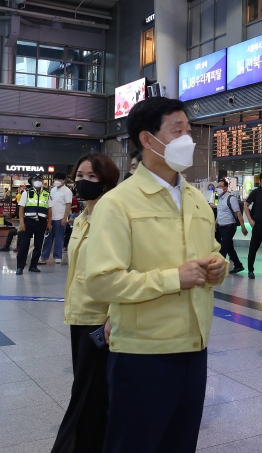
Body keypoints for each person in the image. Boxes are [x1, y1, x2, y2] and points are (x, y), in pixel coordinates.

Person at [84, 97, 226, 453]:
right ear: (148, 140)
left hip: (195, 348)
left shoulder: (195, 199)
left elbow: (211, 252)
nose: (187, 139)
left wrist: (217, 268)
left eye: (188, 131)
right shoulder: (119, 203)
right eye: (177, 131)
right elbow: (101, 281)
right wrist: (172, 278)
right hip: (143, 354)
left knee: (180, 444)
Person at [51, 153, 120, 453]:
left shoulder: (112, 215)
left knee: (85, 395)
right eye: (80, 175)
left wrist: (112, 316)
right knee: (92, 393)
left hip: (99, 319)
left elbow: (122, 270)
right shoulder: (82, 218)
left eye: (91, 177)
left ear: (106, 180)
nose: (83, 182)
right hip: (78, 315)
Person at [16, 174, 53, 275]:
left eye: (40, 179)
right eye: (35, 179)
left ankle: (33, 266)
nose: (38, 181)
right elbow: (21, 208)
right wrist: (22, 223)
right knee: (24, 245)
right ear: (31, 181)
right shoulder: (26, 193)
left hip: (41, 223)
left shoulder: (46, 193)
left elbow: (49, 210)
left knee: (38, 245)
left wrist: (49, 223)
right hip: (28, 222)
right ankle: (20, 267)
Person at [39, 172, 72, 265]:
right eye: (56, 179)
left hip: (60, 218)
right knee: (48, 238)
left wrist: (65, 218)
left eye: (60, 179)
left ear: (64, 181)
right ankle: (44, 256)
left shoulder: (67, 191)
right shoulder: (52, 190)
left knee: (59, 238)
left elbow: (68, 205)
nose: (58, 181)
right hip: (51, 218)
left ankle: (58, 257)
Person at [216, 179, 247, 274]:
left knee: (223, 248)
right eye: (218, 186)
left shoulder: (231, 198)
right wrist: (215, 224)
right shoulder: (220, 199)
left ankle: (218, 270)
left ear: (226, 188)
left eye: (220, 186)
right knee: (229, 247)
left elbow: (239, 214)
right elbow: (220, 213)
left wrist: (243, 227)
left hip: (229, 227)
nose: (218, 188)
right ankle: (238, 265)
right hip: (221, 227)